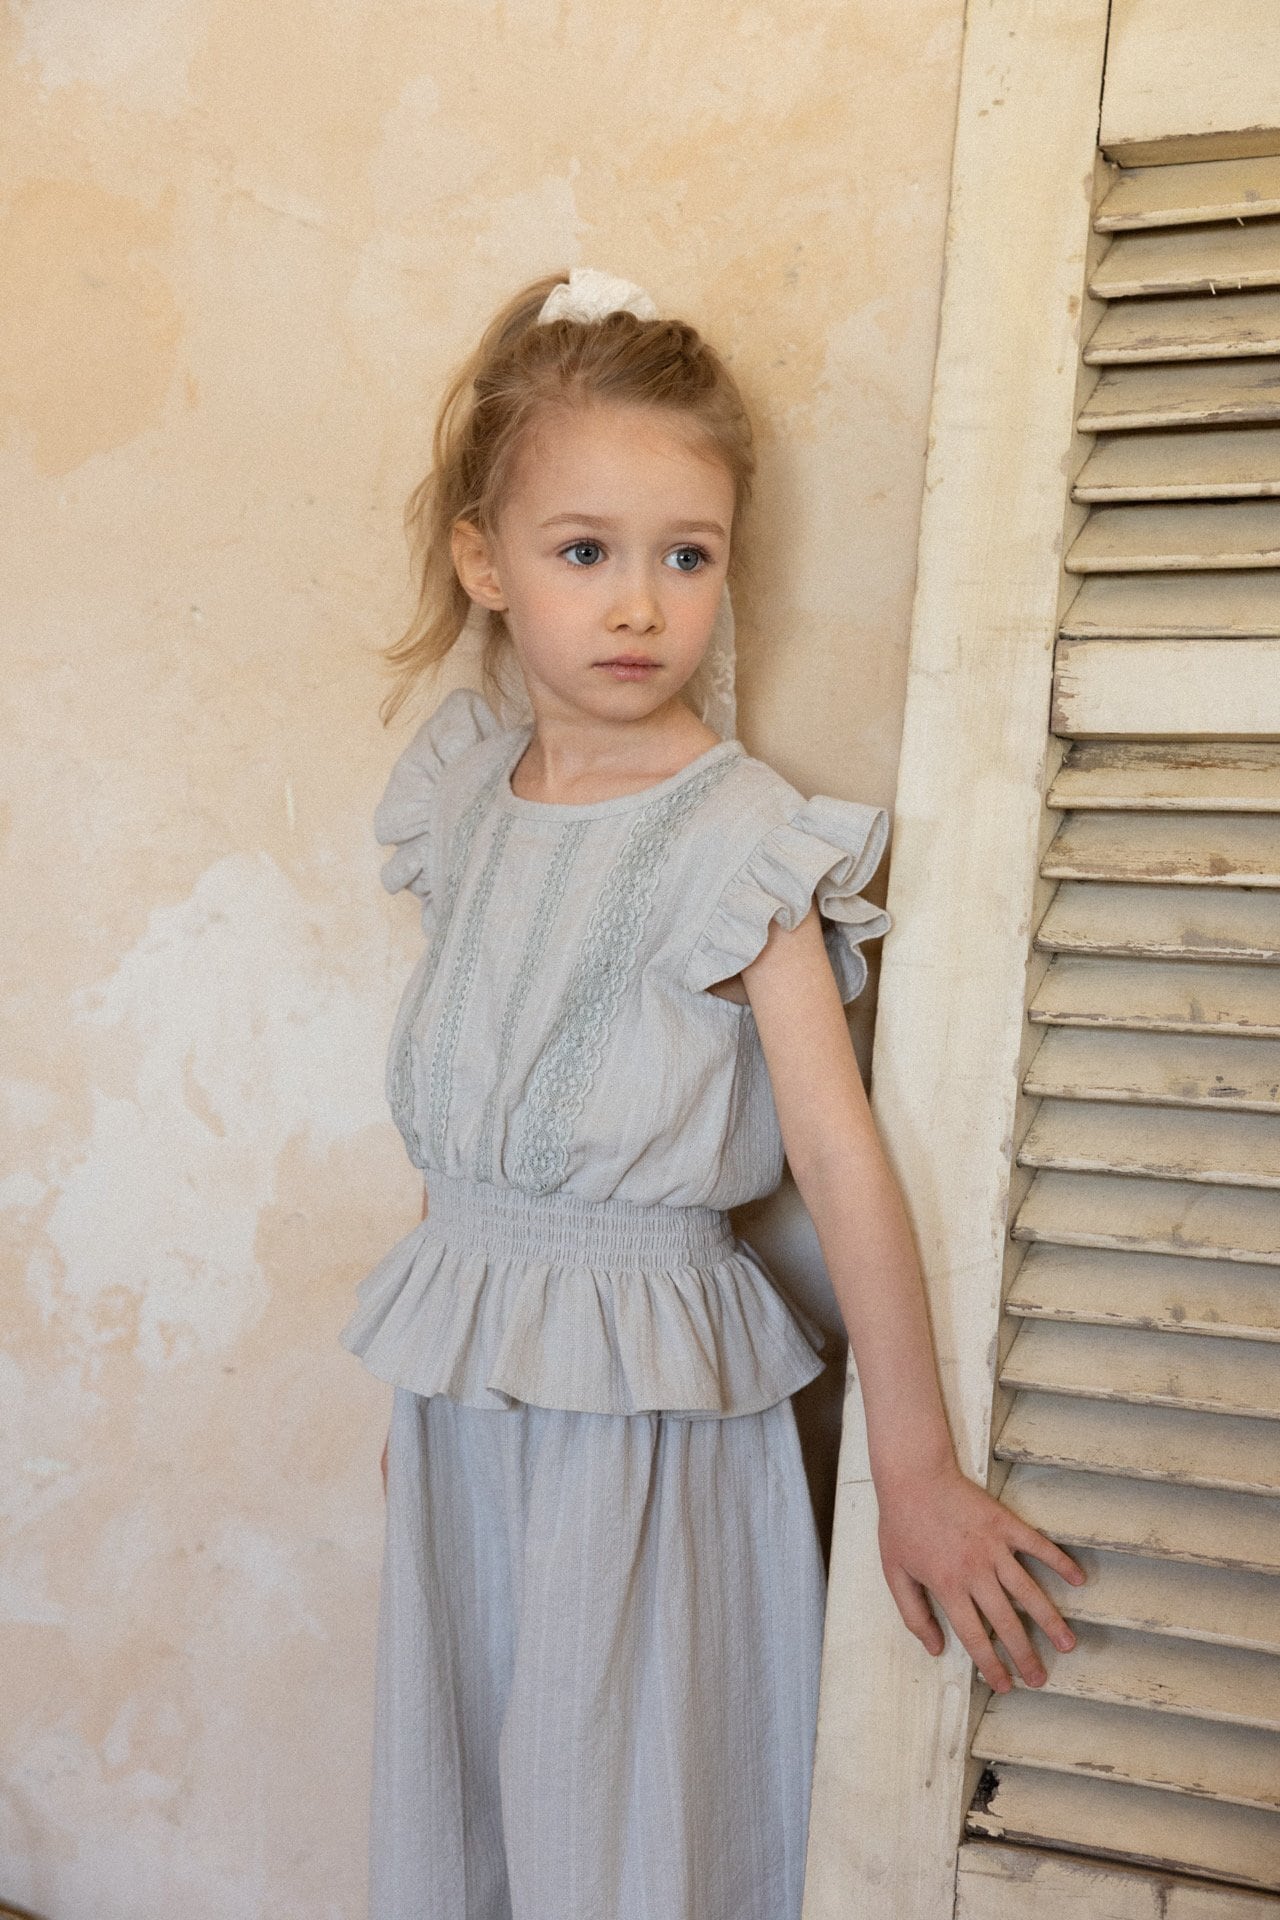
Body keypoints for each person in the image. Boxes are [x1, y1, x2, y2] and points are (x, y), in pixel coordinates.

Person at [341, 267, 1084, 1920]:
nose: (638, 606)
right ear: (484, 562)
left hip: (643, 1429)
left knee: (624, 1832)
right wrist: (430, 1390)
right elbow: (472, 1113)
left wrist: (913, 1469)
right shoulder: (464, 808)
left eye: (687, 556)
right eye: (584, 552)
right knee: (474, 1816)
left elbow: (838, 1154)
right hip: (471, 1420)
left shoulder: (739, 835)